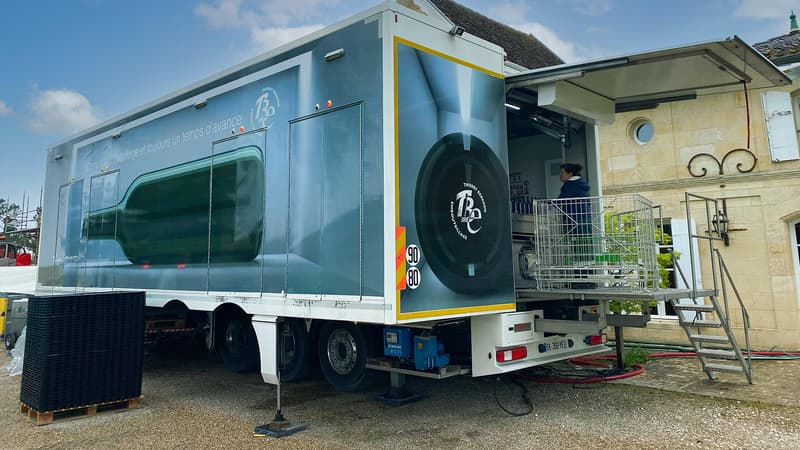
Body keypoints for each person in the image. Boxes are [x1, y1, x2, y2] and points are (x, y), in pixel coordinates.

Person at [557, 163, 594, 288]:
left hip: (574, 221)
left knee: (577, 250)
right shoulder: (582, 184)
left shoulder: (569, 186)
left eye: (562, 172)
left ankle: (580, 280)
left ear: (570, 174)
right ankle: (587, 279)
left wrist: (547, 203)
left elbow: (559, 202)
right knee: (585, 249)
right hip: (585, 220)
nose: (560, 175)